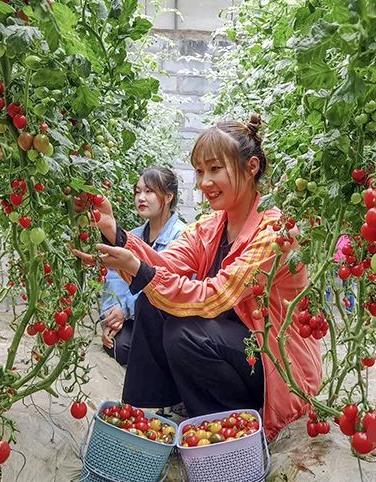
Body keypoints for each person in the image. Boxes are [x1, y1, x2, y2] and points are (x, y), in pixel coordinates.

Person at [72, 114, 322, 442]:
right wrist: (115, 235)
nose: (204, 182)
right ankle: (149, 416)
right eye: (200, 171)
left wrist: (140, 270)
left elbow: (216, 295)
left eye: (215, 169)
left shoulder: (274, 232)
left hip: (274, 367)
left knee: (184, 331)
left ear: (251, 168)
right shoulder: (209, 227)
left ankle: (230, 429)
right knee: (153, 299)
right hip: (231, 352)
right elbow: (164, 267)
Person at [96, 167, 185, 366]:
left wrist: (125, 310)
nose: (141, 198)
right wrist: (112, 314)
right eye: (137, 192)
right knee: (119, 346)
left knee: (146, 349)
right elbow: (115, 277)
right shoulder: (133, 236)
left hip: (164, 320)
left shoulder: (181, 237)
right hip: (134, 320)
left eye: (149, 191)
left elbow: (164, 283)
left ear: (168, 196)